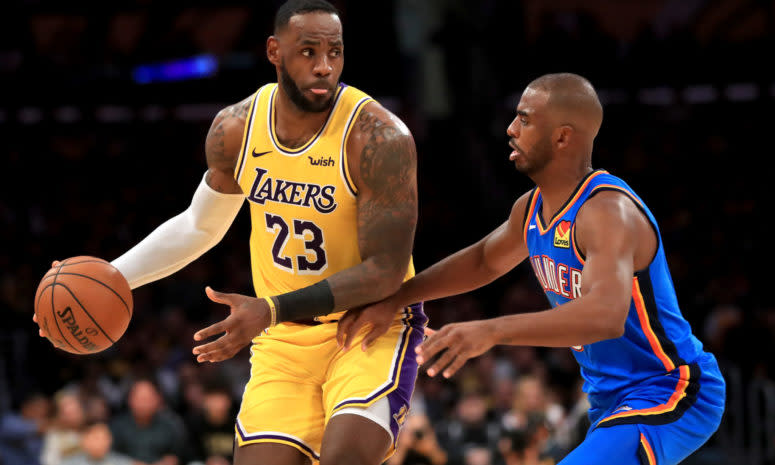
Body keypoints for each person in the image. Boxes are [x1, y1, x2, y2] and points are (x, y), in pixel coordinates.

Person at [34, 1, 422, 464]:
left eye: (335, 52)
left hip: (368, 327)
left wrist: (271, 309)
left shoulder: (379, 138)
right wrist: (107, 279)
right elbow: (200, 225)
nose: (324, 66)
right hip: (284, 342)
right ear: (274, 51)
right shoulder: (236, 129)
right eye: (308, 51)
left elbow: (385, 271)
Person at [340, 73, 725, 465]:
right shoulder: (531, 208)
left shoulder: (607, 213)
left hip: (669, 388)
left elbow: (605, 316)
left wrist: (491, 330)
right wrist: (398, 298)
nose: (510, 129)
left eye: (524, 119)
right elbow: (484, 261)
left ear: (562, 137)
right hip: (608, 398)